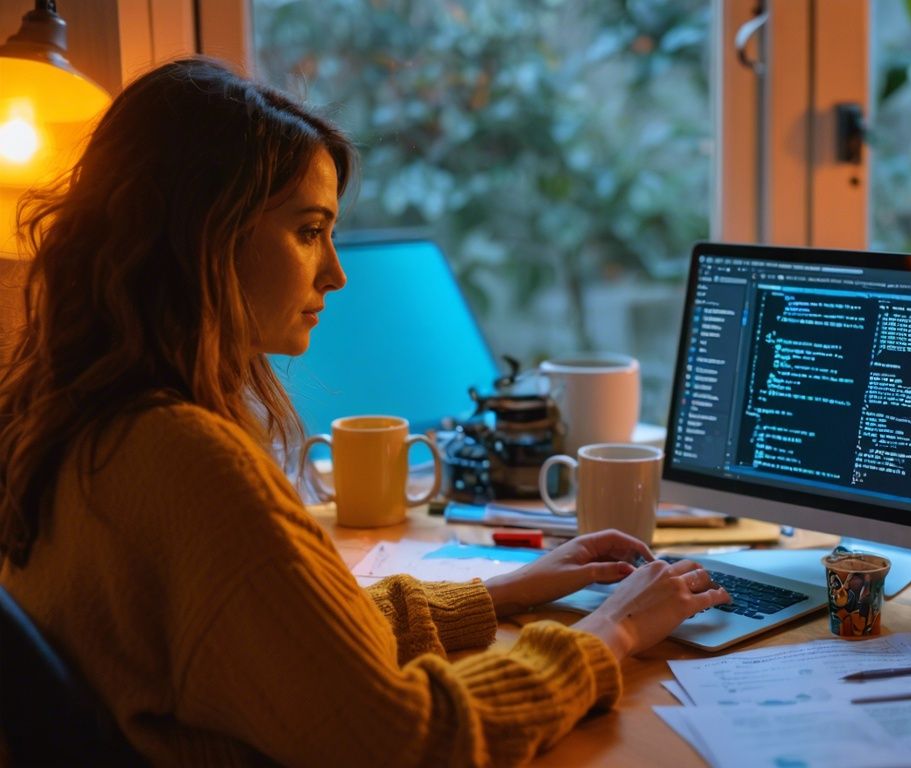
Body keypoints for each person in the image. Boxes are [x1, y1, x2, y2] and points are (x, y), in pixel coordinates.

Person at [0, 57, 730, 766]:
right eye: (309, 231)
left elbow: (293, 647)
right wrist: (614, 631)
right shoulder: (184, 459)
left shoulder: (71, 420)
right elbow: (409, 739)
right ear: (204, 237)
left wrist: (510, 590)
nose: (336, 273)